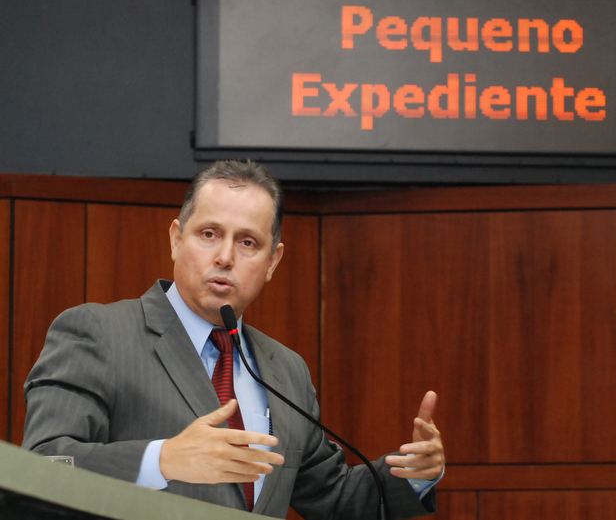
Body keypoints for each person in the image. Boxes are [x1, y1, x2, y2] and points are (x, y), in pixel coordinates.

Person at [22, 160, 444, 519]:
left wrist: (415, 474)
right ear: (176, 239)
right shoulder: (98, 333)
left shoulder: (286, 371)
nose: (225, 257)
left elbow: (335, 497)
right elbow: (42, 466)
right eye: (209, 234)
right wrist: (162, 459)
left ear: (272, 261)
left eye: (247, 242)